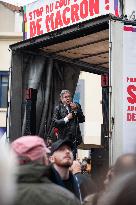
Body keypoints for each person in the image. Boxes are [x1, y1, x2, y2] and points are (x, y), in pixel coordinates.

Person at [11, 136, 81, 205]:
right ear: (47, 159)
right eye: (61, 149)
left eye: (69, 149)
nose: (67, 152)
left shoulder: (4, 194)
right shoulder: (64, 198)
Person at [52, 89, 85, 158]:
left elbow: (82, 119)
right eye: (65, 97)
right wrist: (66, 118)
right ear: (61, 99)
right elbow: (55, 123)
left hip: (74, 139)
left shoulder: (75, 106)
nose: (68, 98)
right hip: (64, 139)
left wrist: (76, 110)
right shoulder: (58, 108)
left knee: (72, 158)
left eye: (69, 96)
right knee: (65, 158)